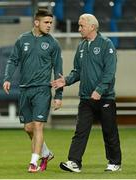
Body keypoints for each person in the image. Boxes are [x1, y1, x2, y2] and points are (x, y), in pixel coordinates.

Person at [51, 14, 122, 173]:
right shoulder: (81, 46)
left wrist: (100, 89)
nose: (79, 29)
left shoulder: (106, 44)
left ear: (92, 26)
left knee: (109, 131)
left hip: (105, 98)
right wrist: (66, 80)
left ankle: (115, 162)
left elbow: (109, 72)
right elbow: (77, 71)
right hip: (85, 98)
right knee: (80, 131)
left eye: (81, 26)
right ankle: (74, 162)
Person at [3, 9, 63, 173]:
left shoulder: (53, 44)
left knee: (38, 126)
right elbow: (13, 60)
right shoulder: (22, 39)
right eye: (46, 22)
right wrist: (7, 78)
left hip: (42, 90)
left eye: (51, 22)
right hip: (24, 90)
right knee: (28, 128)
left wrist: (58, 95)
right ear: (36, 23)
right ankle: (46, 153)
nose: (49, 25)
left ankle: (33, 163)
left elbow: (58, 71)